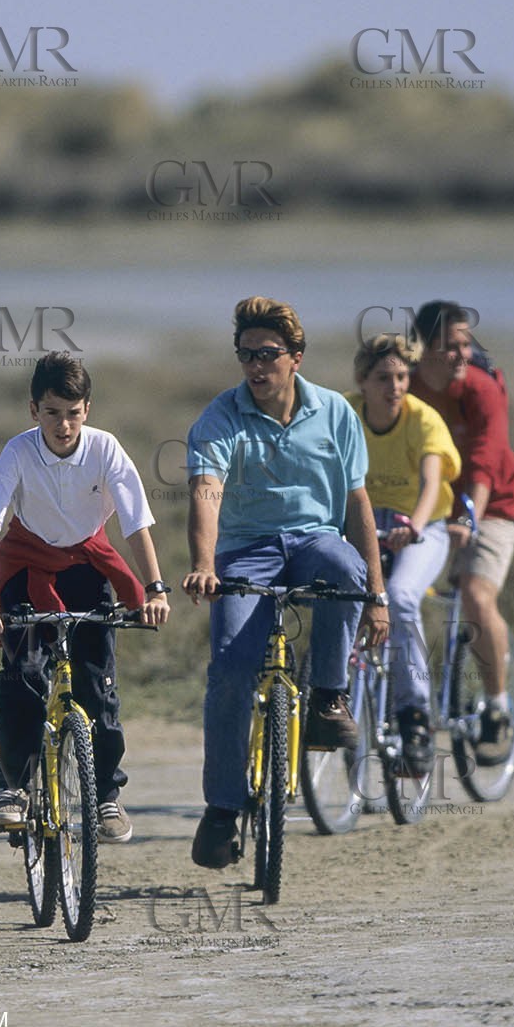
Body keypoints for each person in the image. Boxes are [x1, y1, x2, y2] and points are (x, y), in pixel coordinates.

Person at [182, 296, 391, 868]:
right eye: (246, 354)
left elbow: (357, 505)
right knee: (229, 667)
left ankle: (328, 697)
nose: (255, 366)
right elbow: (206, 490)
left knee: (345, 568)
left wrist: (377, 596)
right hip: (246, 551)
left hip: (314, 543)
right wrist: (204, 563)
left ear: (295, 357)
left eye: (268, 354)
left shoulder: (335, 414)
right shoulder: (221, 417)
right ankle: (223, 808)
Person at [0, 352, 170, 845]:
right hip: (26, 569)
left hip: (87, 569)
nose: (63, 424)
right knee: (23, 676)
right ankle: (13, 786)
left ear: (88, 410)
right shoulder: (17, 451)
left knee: (98, 688)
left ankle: (106, 797)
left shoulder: (106, 449)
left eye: (73, 412)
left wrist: (155, 589)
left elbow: (135, 521)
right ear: (34, 410)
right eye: (52, 412)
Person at [346, 333, 462, 777]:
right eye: (382, 378)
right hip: (365, 522)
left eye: (401, 377)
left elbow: (433, 480)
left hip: (423, 526)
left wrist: (413, 523)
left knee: (400, 595)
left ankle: (414, 719)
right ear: (362, 381)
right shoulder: (346, 413)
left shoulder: (424, 420)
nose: (394, 387)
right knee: (338, 595)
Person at [407, 301, 514, 741]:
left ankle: (496, 705)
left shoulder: (480, 389)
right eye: (451, 346)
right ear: (422, 350)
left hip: (491, 504)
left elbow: (484, 463)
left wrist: (470, 519)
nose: (463, 355)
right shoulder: (406, 386)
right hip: (424, 506)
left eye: (466, 344)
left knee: (476, 596)